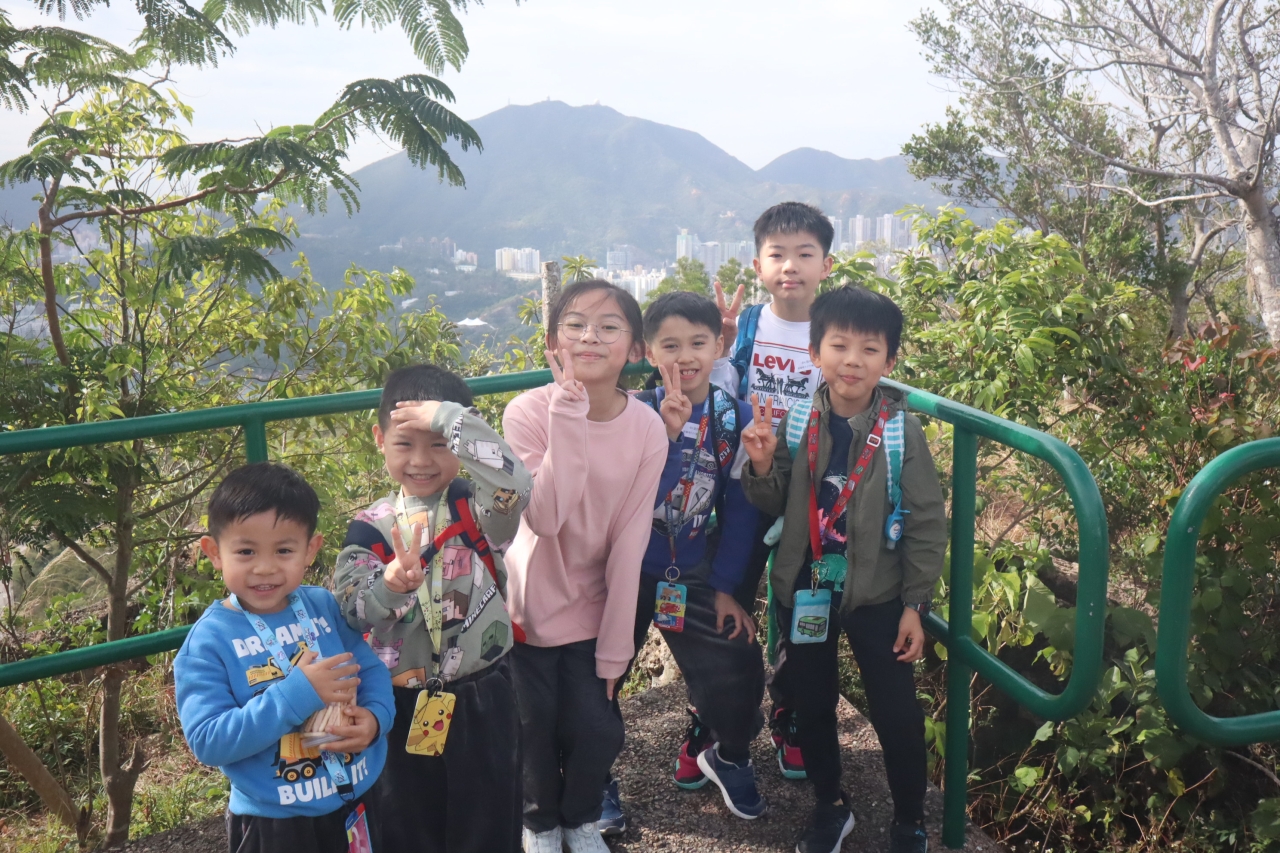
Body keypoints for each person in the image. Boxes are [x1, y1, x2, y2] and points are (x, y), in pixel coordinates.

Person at [739, 285, 948, 853]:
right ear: (815, 353)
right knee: (812, 703)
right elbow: (775, 501)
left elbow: (927, 523)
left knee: (896, 713)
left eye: (870, 349)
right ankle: (830, 806)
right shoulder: (798, 421)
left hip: (879, 595)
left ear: (889, 361)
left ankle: (910, 820)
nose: (852, 360)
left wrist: (915, 605)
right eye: (839, 345)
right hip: (805, 588)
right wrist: (762, 464)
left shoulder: (900, 432)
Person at [333, 364, 531, 853]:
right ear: (379, 439)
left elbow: (516, 486)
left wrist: (452, 418)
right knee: (407, 829)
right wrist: (389, 586)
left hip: (483, 693)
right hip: (397, 702)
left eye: (439, 444)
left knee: (489, 825)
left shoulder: (478, 508)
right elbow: (352, 608)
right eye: (404, 444)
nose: (421, 461)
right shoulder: (372, 528)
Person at [502, 279, 668, 853]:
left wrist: (617, 645)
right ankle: (540, 825)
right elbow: (546, 516)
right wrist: (566, 412)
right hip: (526, 610)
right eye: (575, 325)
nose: (590, 336)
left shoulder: (646, 427)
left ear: (635, 348)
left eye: (609, 326)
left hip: (596, 609)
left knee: (596, 728)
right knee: (532, 730)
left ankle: (579, 819)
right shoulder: (526, 413)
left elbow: (630, 539)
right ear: (553, 342)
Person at [176, 462, 393, 853]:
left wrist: (376, 719)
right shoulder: (209, 642)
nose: (265, 568)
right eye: (246, 551)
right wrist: (297, 694)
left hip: (359, 799)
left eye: (284, 550)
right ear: (214, 552)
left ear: (310, 549)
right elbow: (208, 740)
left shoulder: (322, 606)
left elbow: (371, 669)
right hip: (275, 822)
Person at [624, 291, 766, 818]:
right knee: (598, 675)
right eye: (670, 345)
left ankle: (729, 754)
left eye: (698, 343)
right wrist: (666, 435)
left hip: (692, 568)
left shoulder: (736, 419)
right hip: (626, 569)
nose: (685, 357)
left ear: (719, 347)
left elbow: (741, 512)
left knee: (740, 663)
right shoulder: (633, 413)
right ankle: (591, 779)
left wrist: (726, 587)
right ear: (648, 352)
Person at [710, 200, 836, 778]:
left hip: (808, 491)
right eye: (777, 254)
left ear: (826, 265)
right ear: (758, 265)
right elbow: (723, 389)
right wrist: (721, 344)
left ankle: (790, 714)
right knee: (728, 594)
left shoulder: (834, 327)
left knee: (798, 606)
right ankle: (714, 718)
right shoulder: (750, 326)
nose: (790, 266)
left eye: (804, 254)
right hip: (746, 483)